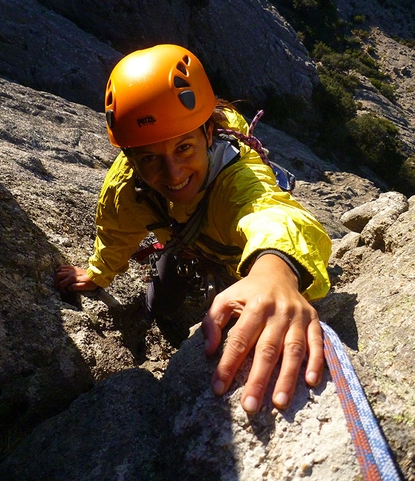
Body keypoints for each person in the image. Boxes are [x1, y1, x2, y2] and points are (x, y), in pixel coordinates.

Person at [56, 44, 331, 414]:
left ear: (209, 133)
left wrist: (276, 270)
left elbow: (271, 211)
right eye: (150, 158)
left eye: (184, 147)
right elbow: (116, 233)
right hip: (183, 246)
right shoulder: (127, 190)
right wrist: (98, 272)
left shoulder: (238, 177)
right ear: (131, 158)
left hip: (242, 256)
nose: (172, 174)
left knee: (244, 315)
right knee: (160, 303)